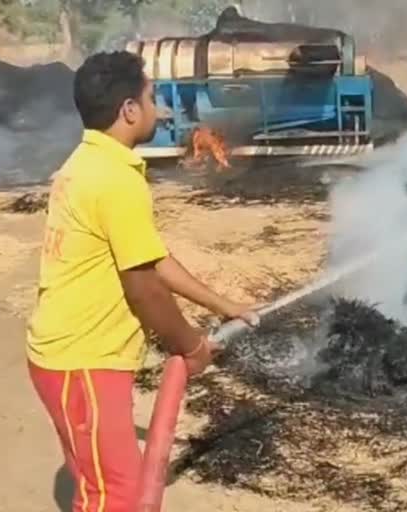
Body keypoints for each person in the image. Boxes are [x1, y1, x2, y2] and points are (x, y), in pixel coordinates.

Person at [25, 51, 260, 512]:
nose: (159, 108)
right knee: (119, 499)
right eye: (152, 97)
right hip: (82, 361)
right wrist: (191, 347)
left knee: (101, 490)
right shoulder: (114, 180)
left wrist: (222, 304)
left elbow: (150, 258)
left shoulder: (88, 162)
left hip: (74, 358)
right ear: (129, 111)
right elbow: (143, 286)